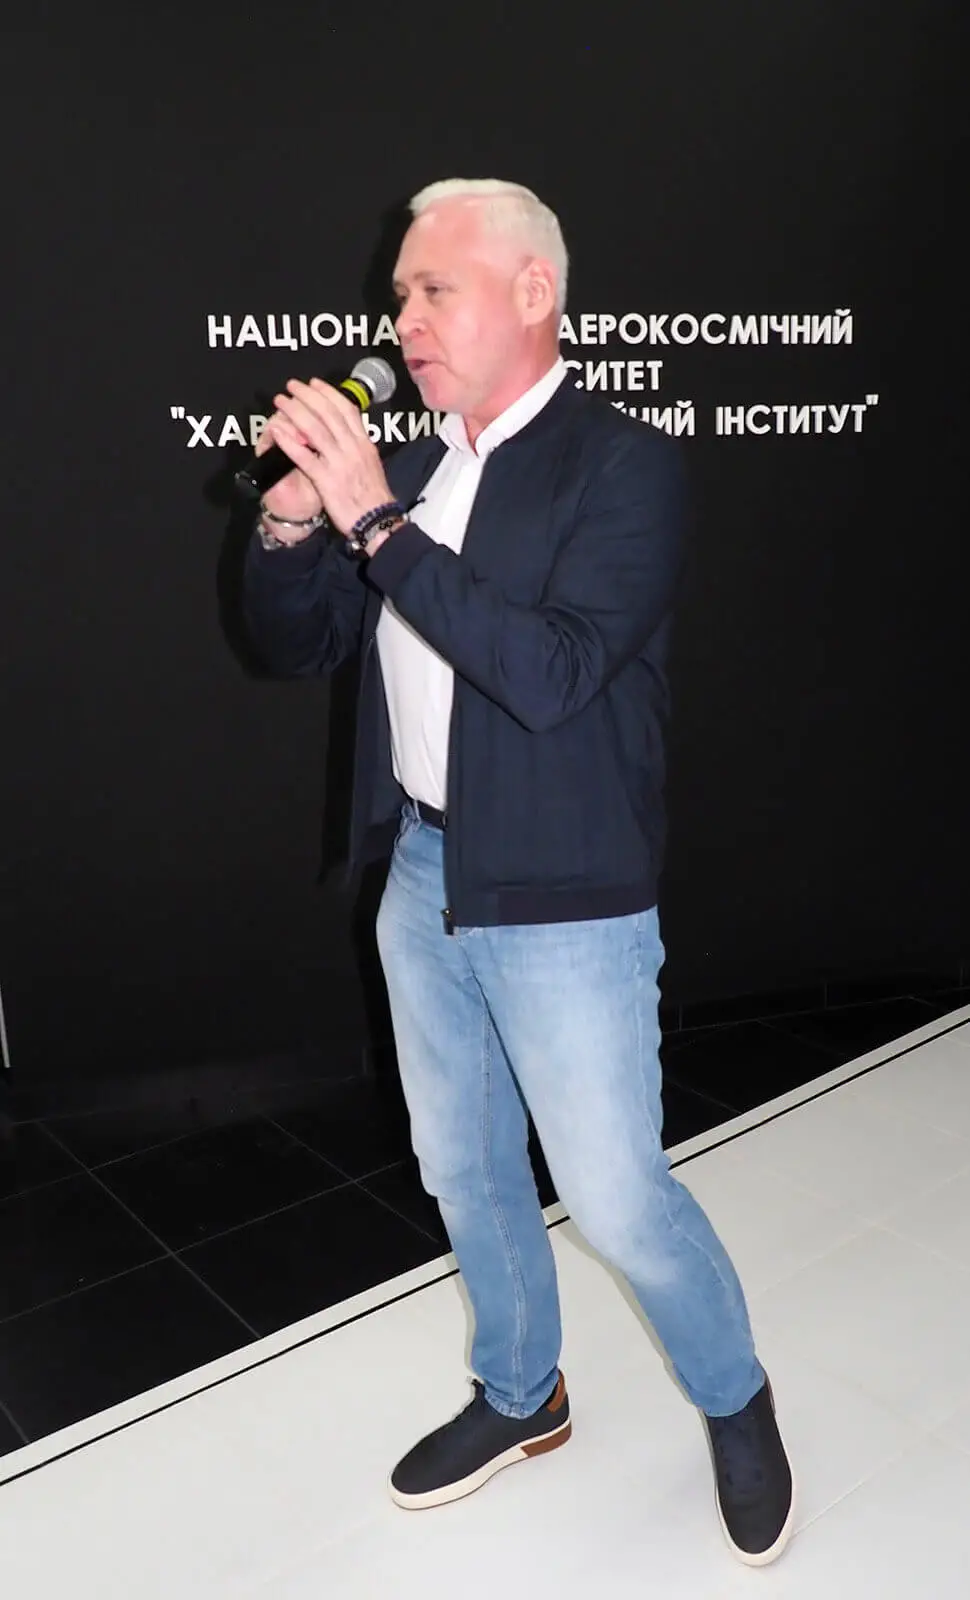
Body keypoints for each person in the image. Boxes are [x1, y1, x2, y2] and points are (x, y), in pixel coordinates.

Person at [241, 178, 795, 1568]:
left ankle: (734, 1398)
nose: (405, 321)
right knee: (464, 1167)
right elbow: (295, 644)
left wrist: (377, 525)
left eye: (434, 290)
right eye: (400, 297)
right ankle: (519, 1389)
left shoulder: (624, 465)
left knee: (615, 1197)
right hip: (423, 874)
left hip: (565, 898)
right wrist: (296, 524)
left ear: (533, 294)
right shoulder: (417, 468)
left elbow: (548, 675)